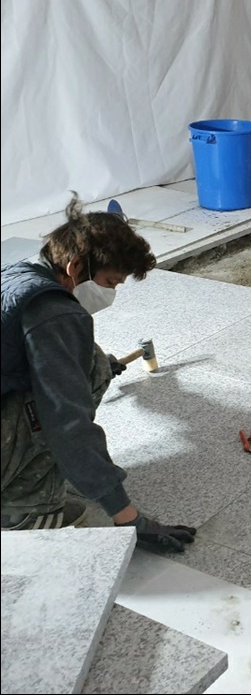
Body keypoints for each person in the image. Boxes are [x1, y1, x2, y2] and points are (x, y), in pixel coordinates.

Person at [1, 194, 196, 553]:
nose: (111, 293)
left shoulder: (16, 275)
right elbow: (67, 423)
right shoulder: (54, 314)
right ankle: (22, 510)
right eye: (110, 283)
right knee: (77, 387)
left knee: (90, 360)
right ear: (75, 266)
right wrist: (128, 517)